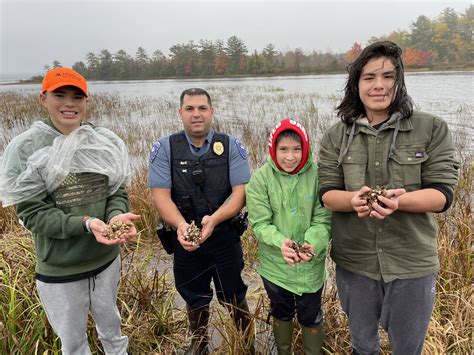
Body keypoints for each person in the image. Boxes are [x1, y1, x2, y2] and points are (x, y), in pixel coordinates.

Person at [318, 41, 459, 355]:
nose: (378, 85)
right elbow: (327, 193)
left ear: (400, 82)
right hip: (355, 263)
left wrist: (400, 201)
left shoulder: (431, 128)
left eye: (387, 77)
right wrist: (353, 200)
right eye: (369, 77)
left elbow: (443, 194)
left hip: (411, 263)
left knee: (407, 349)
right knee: (363, 347)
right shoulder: (334, 136)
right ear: (356, 84)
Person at [0, 67, 140, 355]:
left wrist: (115, 216)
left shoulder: (103, 141)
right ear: (43, 99)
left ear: (86, 102)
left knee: (113, 333)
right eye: (59, 95)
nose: (69, 103)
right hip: (60, 269)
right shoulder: (27, 149)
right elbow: (34, 215)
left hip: (105, 261)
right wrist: (87, 223)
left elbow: (116, 190)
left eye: (77, 97)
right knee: (74, 345)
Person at [148, 88, 253, 354]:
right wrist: (183, 227)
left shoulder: (231, 146)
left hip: (224, 236)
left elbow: (241, 194)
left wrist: (215, 219)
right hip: (186, 240)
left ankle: (247, 345)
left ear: (212, 112)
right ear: (180, 113)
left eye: (202, 108)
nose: (197, 114)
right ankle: (199, 344)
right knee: (194, 295)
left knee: (234, 294)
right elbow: (160, 196)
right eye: (190, 108)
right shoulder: (164, 148)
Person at [246, 118, 331, 354]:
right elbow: (261, 224)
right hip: (275, 266)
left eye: (296, 149)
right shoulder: (260, 179)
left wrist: (312, 244)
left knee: (311, 314)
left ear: (306, 147)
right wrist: (279, 243)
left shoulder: (319, 175)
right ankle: (283, 350)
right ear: (273, 149)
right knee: (280, 310)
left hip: (310, 265)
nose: (290, 157)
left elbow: (324, 219)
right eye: (283, 149)